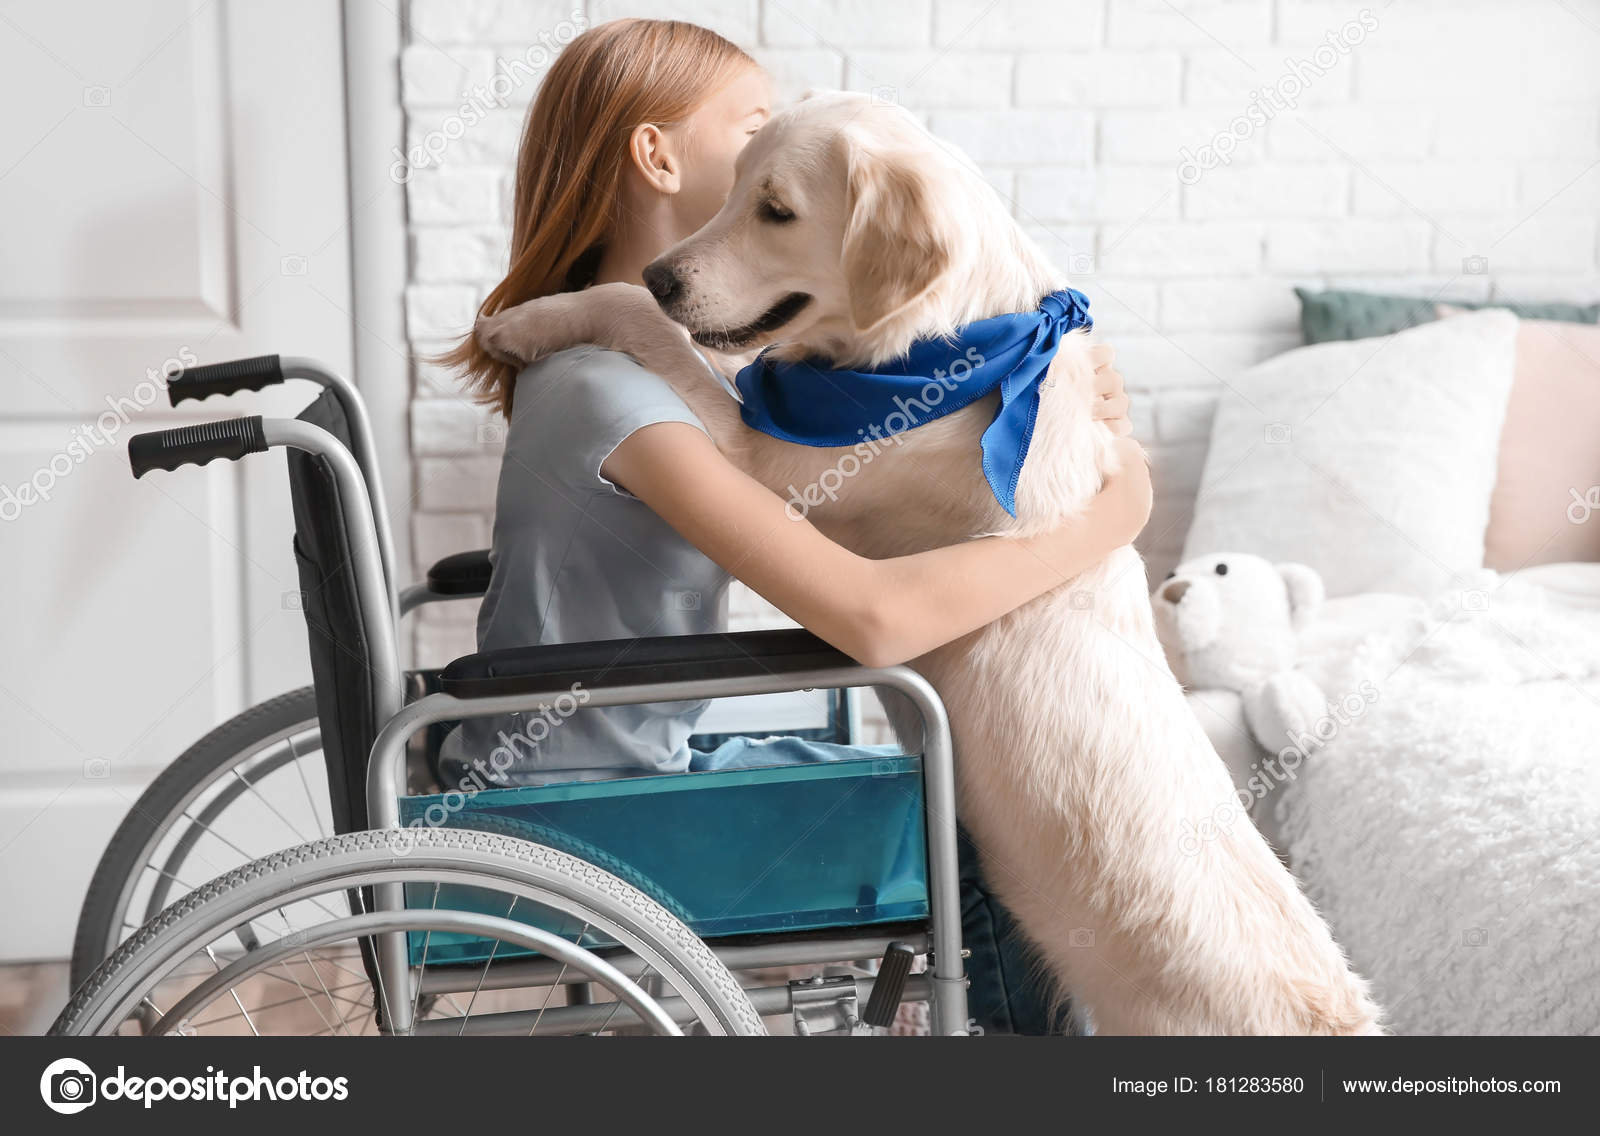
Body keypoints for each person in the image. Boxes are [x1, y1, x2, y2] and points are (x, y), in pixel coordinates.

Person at [439, 18, 1151, 1035]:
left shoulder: (627, 369)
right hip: (595, 814)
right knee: (966, 823)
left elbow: (835, 418)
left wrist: (1062, 393)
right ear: (657, 153)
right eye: (754, 127)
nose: (776, 148)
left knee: (941, 787)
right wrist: (1110, 517)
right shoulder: (611, 386)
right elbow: (868, 617)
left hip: (607, 777)